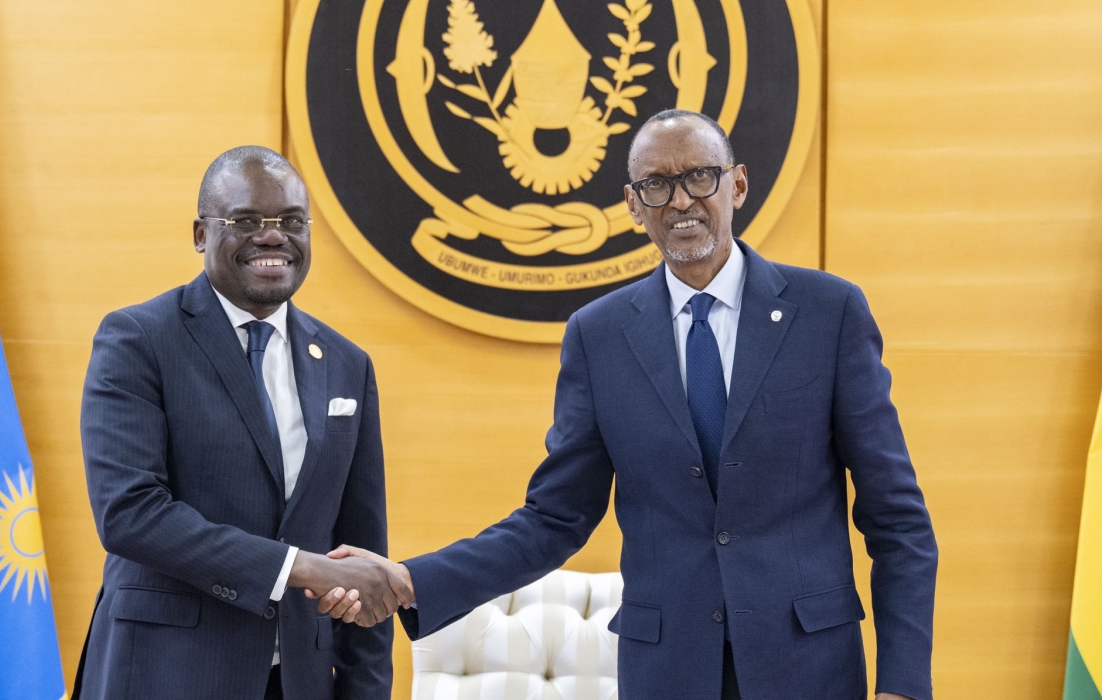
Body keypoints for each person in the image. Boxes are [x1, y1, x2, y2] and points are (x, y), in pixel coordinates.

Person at [323, 111, 938, 700]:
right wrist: (410, 580)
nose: (680, 200)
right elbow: (555, 518)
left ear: (738, 184)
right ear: (633, 205)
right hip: (668, 670)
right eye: (657, 185)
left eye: (700, 177)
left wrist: (904, 684)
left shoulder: (828, 312)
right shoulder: (600, 335)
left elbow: (897, 517)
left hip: (809, 667)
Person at [73, 146, 408, 700]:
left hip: (298, 680)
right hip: (165, 673)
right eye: (246, 221)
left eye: (292, 222)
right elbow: (129, 514)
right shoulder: (138, 339)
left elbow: (361, 552)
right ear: (201, 233)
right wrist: (301, 569)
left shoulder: (349, 365)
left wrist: (365, 691)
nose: (273, 237)